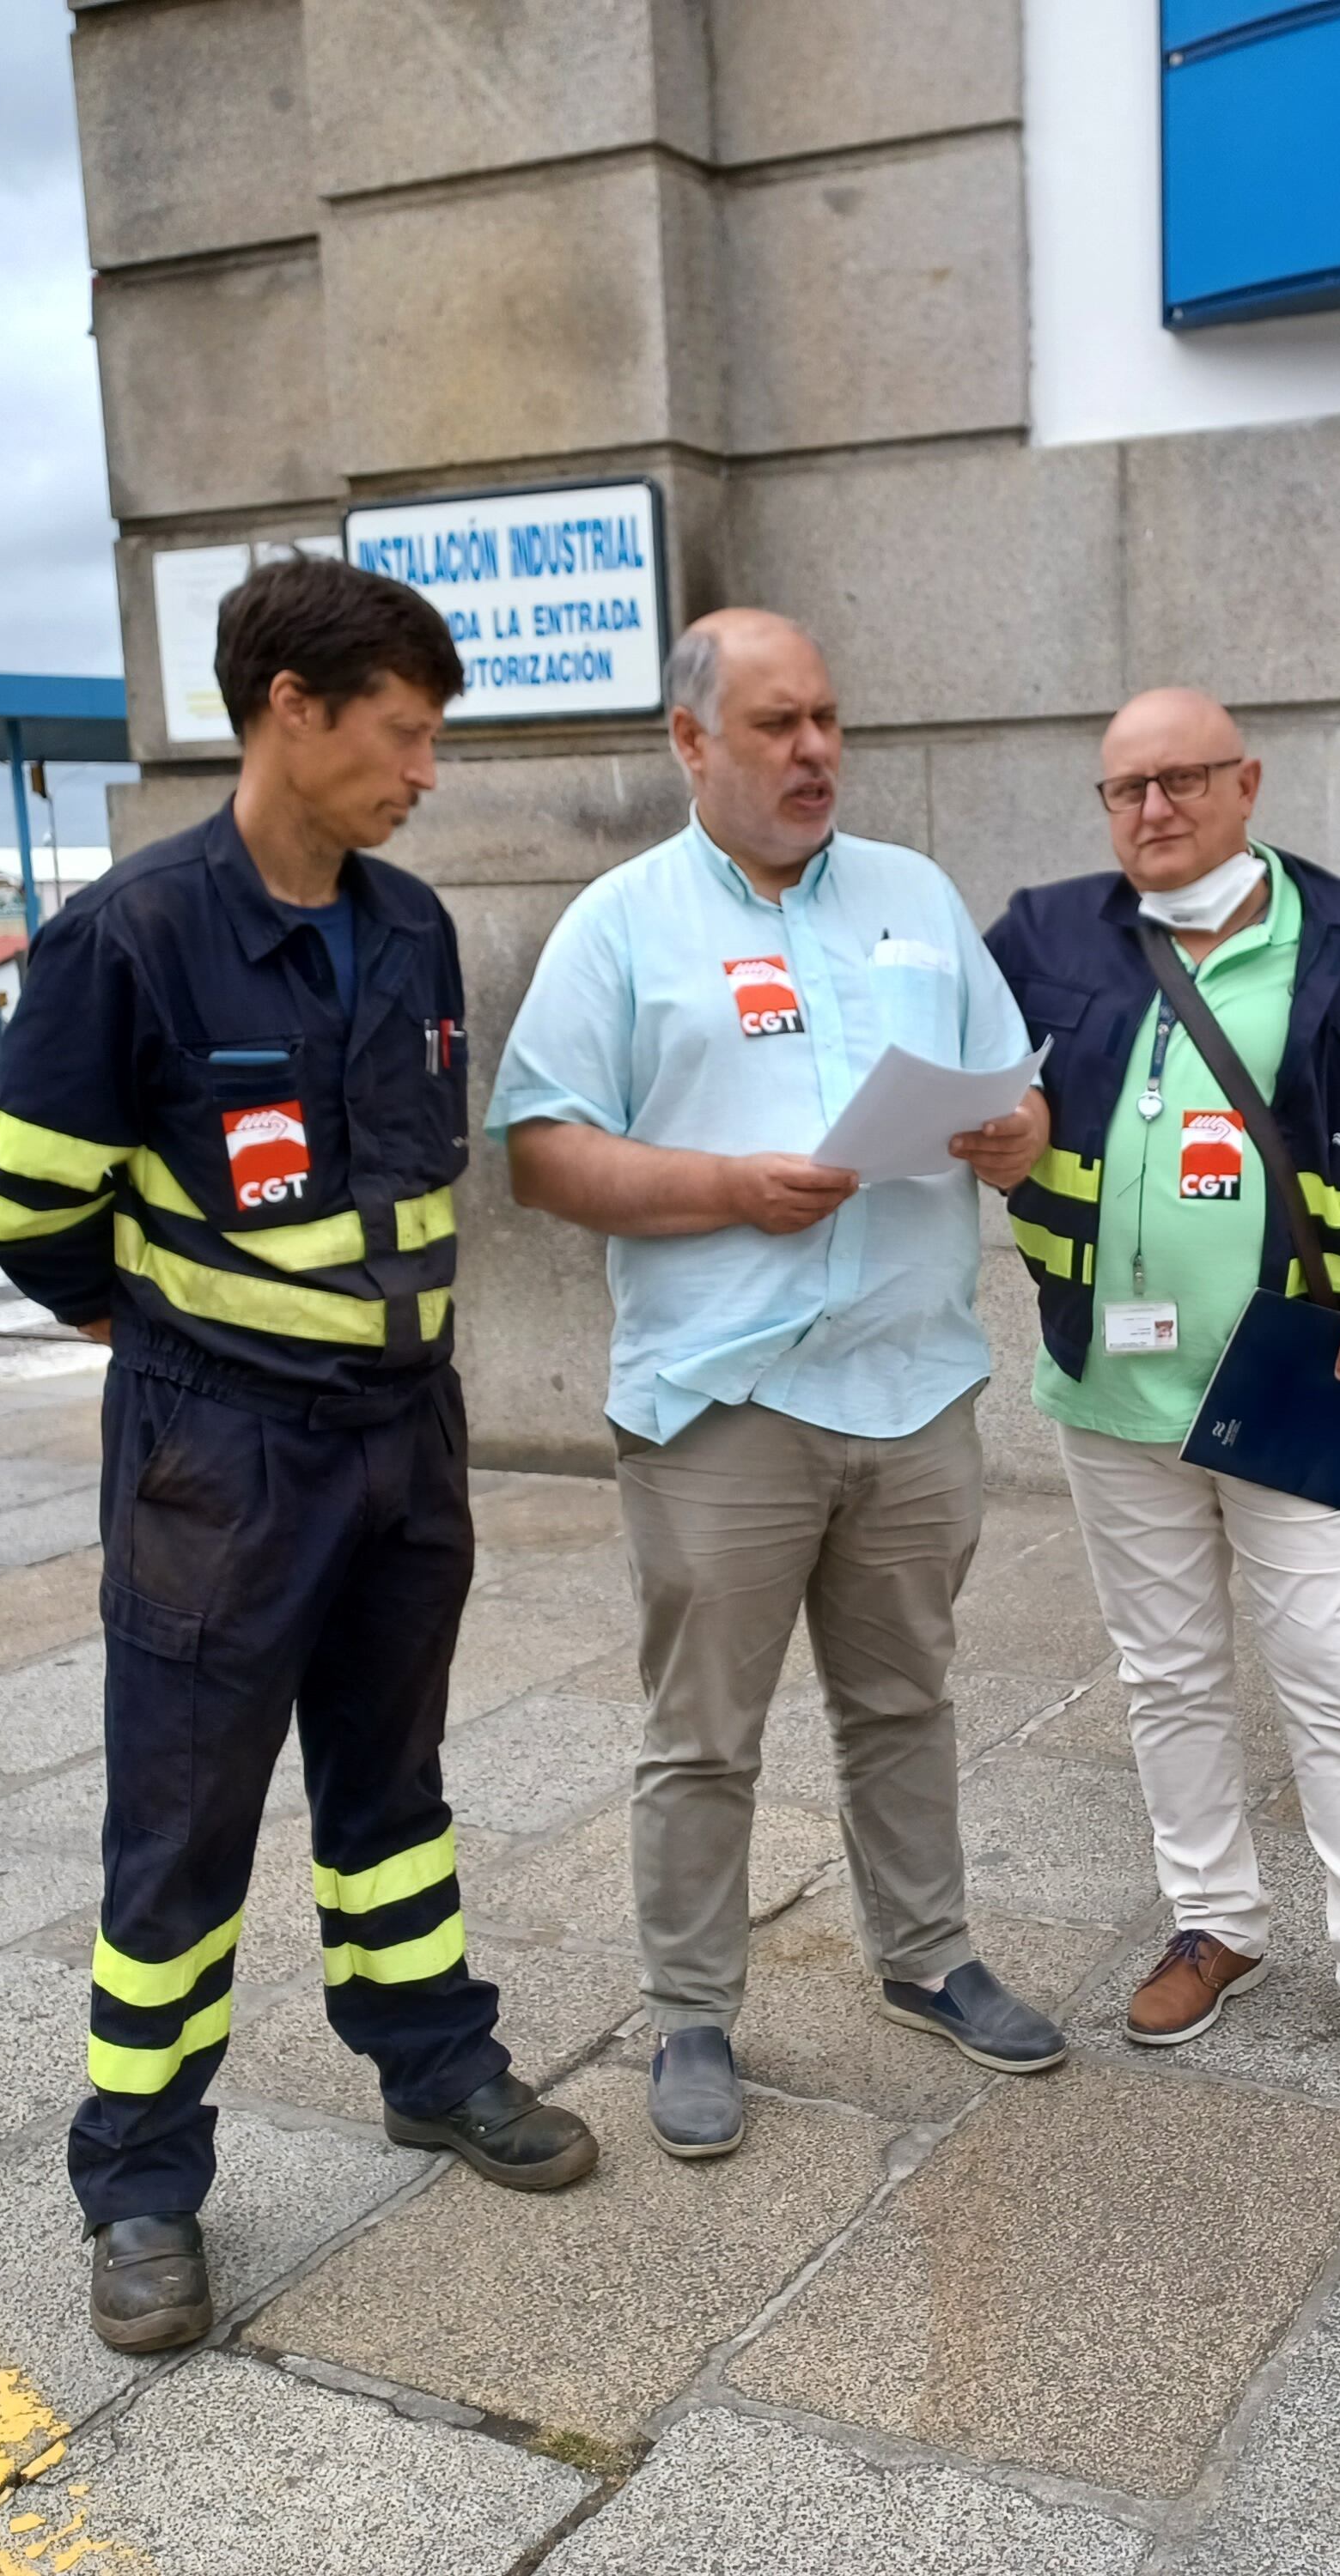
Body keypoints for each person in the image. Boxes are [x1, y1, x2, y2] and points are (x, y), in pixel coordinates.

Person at [0, 554, 596, 2357]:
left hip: (406, 1436)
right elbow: (18, 1204)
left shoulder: (408, 929)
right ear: (289, 712)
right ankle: (141, 2185)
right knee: (181, 1826)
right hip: (219, 1457)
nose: (424, 770)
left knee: (392, 1792)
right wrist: (145, 1324)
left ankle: (431, 2064)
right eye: (401, 735)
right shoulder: (134, 936)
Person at [487, 607, 1069, 2160]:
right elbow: (541, 1150)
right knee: (704, 1732)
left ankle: (930, 1957)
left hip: (910, 1382)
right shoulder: (618, 923)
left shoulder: (918, 898)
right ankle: (691, 2012)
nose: (814, 750)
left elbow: (1018, 1093)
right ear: (692, 745)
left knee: (904, 1699)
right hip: (721, 1402)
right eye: (774, 726)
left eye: (826, 718)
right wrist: (728, 1189)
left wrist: (1020, 1131)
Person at [979, 688, 1340, 2128]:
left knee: (1333, 1673)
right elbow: (976, 1091)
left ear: (1247, 782)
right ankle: (1214, 1922)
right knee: (1167, 1672)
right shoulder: (1041, 934)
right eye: (1124, 787)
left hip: (1296, 1380)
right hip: (1109, 1378)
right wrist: (992, 1136)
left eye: (1183, 779)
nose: (1153, 808)